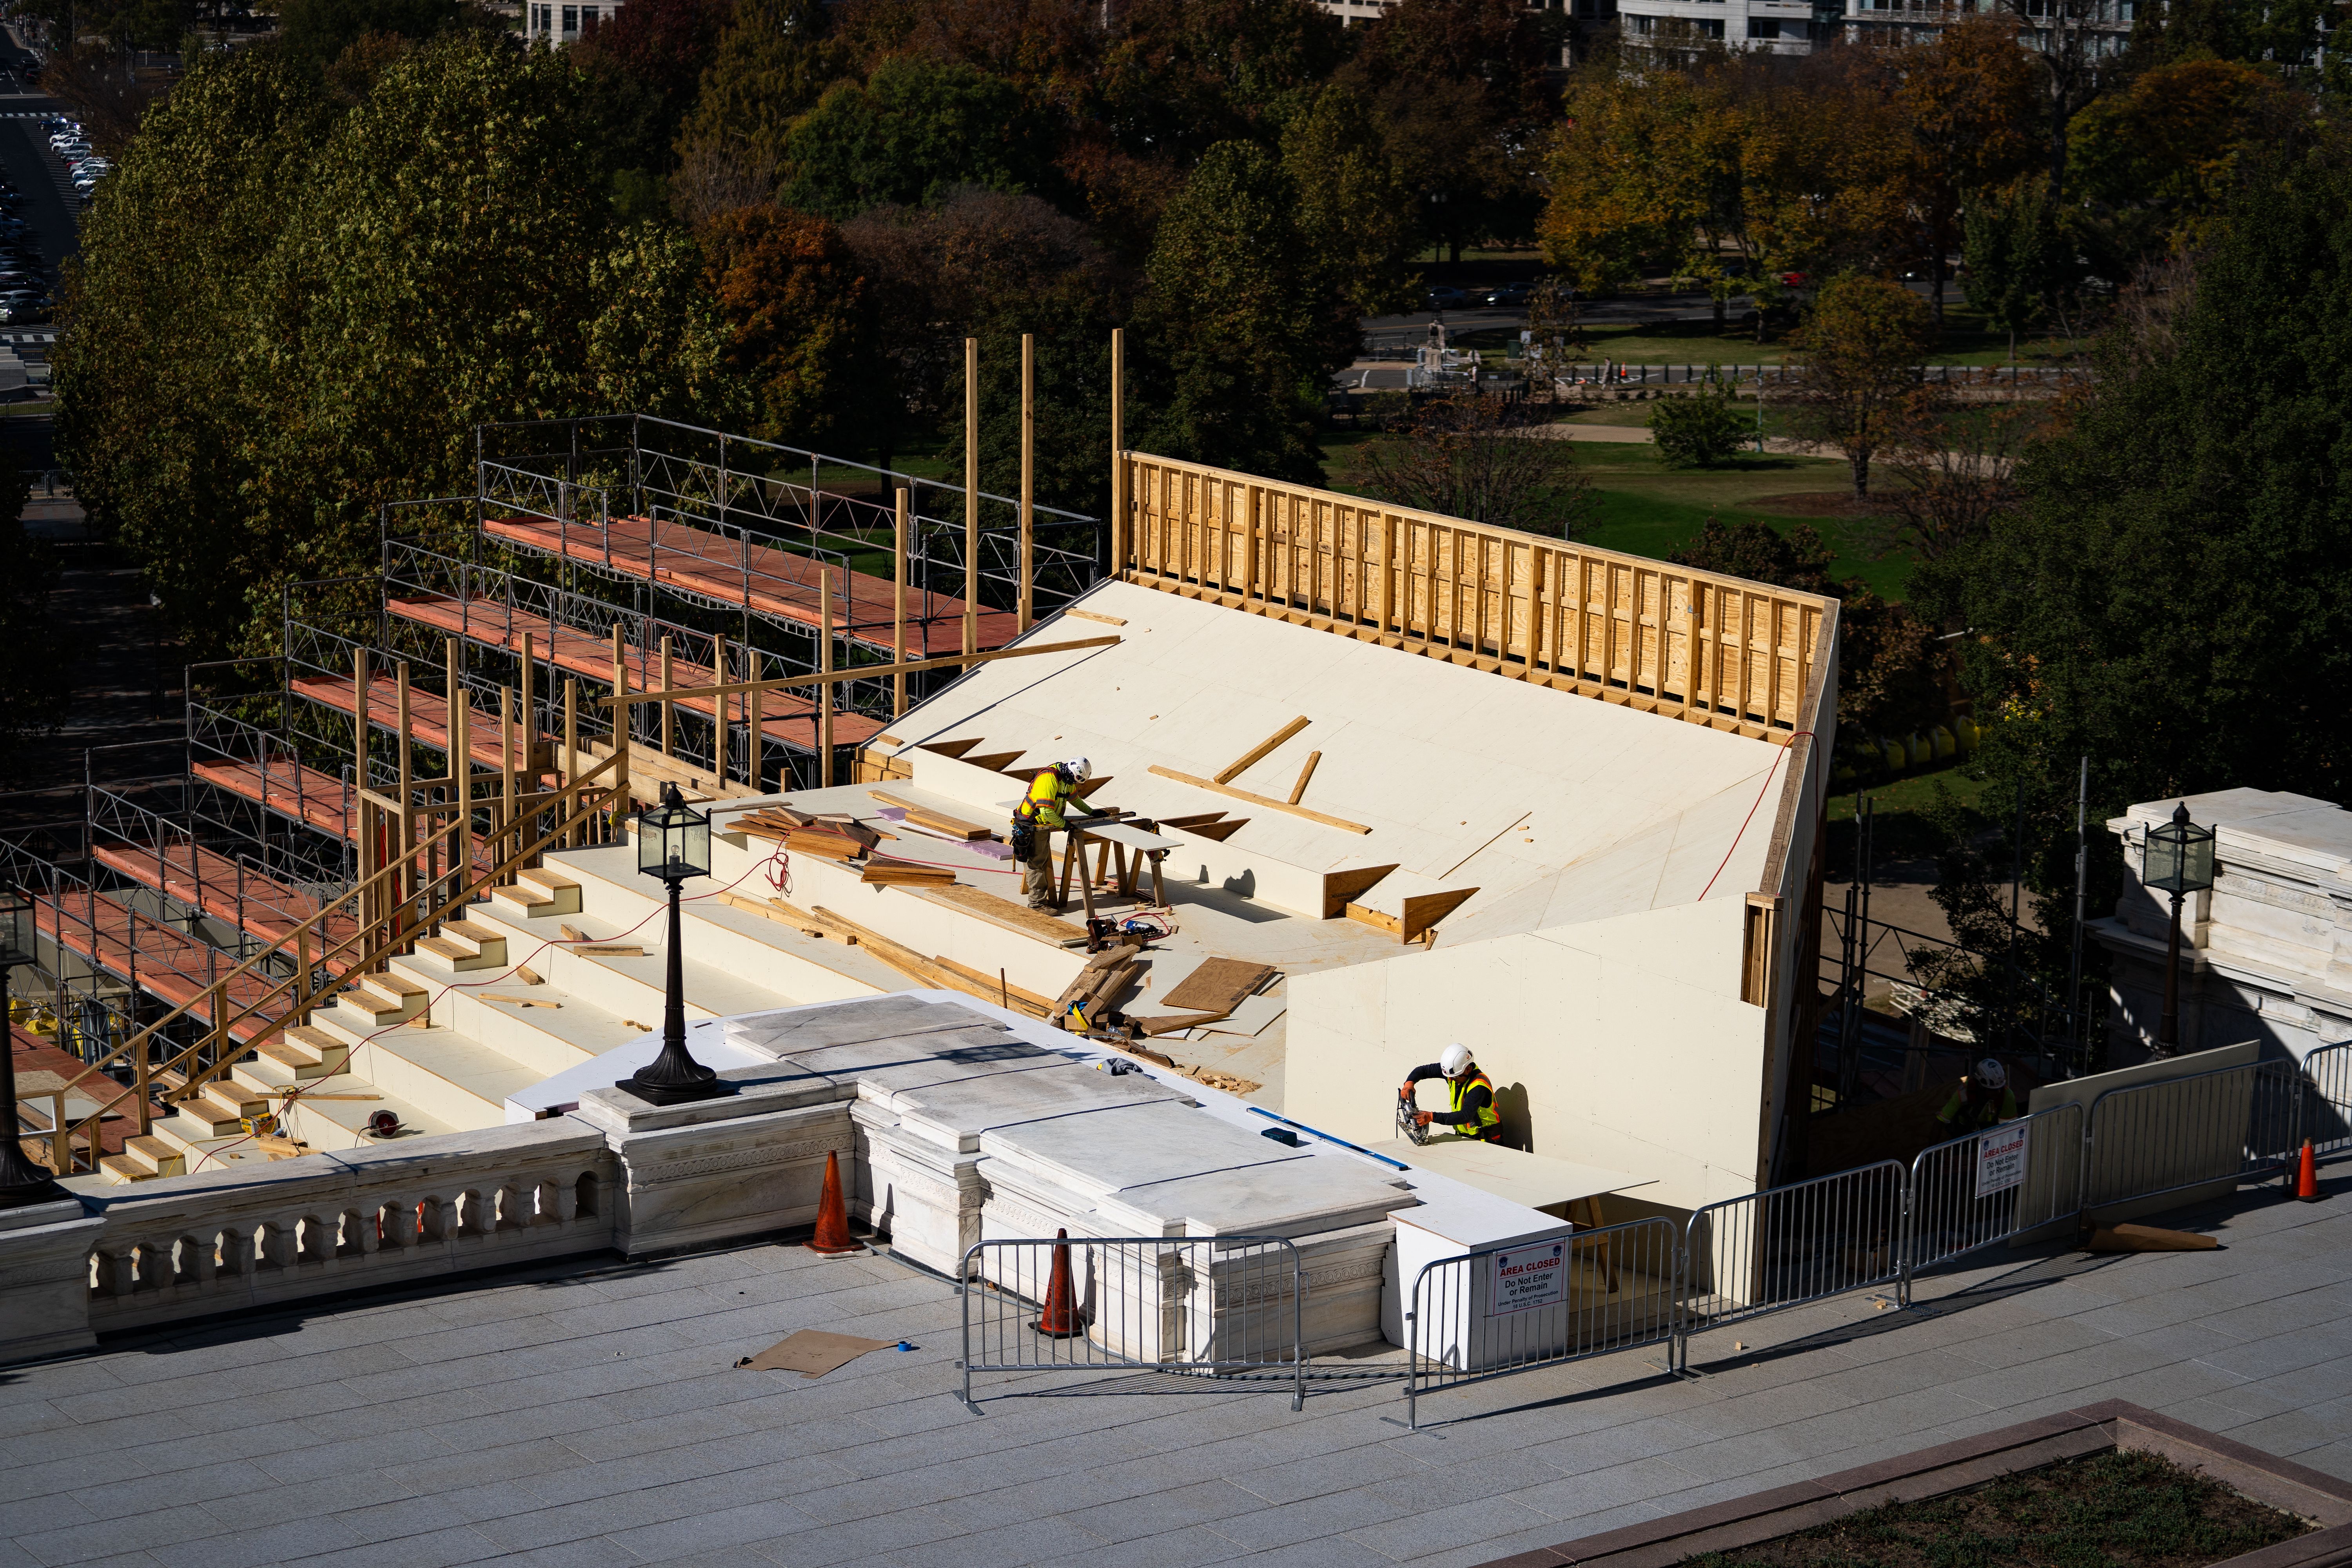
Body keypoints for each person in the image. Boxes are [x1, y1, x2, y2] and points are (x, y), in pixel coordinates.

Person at [1013, 757, 1090, 911]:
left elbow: (1075, 800)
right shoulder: (1049, 779)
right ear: (1072, 773)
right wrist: (1063, 824)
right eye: (1075, 781)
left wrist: (1092, 812)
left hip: (1042, 824)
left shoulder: (1066, 778)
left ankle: (1040, 899)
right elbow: (1047, 812)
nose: (1074, 784)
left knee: (1040, 861)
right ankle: (1037, 904)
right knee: (1036, 864)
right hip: (1032, 825)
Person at [1399, 1043, 1501, 1143]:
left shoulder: (1478, 1086)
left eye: (1455, 1077)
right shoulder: (1454, 1072)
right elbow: (1424, 1070)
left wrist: (1432, 1116)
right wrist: (1409, 1084)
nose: (1451, 1080)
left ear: (1468, 1069)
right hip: (1466, 1136)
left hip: (1487, 1138)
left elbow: (1466, 1115)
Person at [1936, 1058, 2017, 1131]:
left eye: (2000, 1088)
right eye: (1993, 1090)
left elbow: (2009, 1128)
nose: (1998, 1092)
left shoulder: (2007, 1095)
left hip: (1992, 1132)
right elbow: (1942, 1120)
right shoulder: (1965, 1092)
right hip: (1964, 1130)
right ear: (1981, 1086)